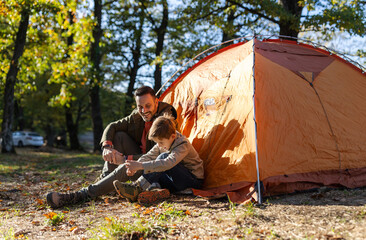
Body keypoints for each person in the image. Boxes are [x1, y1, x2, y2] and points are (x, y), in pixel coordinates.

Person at [46, 86, 178, 208]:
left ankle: (82, 195)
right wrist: (107, 147)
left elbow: (158, 154)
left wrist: (126, 159)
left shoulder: (165, 120)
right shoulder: (138, 115)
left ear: (156, 101)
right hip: (138, 162)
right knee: (118, 135)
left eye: (148, 105)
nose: (144, 111)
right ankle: (105, 181)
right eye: (140, 107)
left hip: (153, 168)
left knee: (124, 166)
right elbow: (112, 126)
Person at [113, 114, 204, 204]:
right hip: (175, 180)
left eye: (160, 142)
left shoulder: (182, 144)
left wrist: (140, 166)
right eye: (157, 142)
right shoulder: (165, 140)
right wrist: (136, 166)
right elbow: (149, 156)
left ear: (173, 136)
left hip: (192, 181)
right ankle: (155, 190)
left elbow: (168, 163)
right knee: (155, 166)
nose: (159, 145)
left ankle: (137, 188)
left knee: (162, 159)